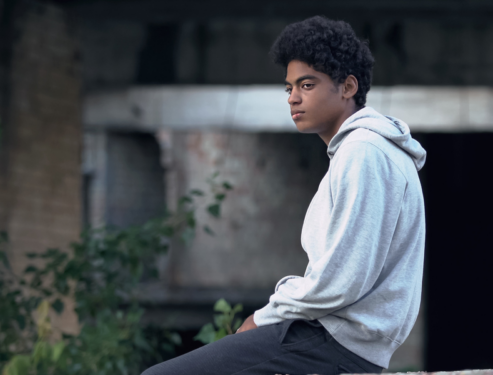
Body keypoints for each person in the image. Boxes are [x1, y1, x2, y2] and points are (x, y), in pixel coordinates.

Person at [142, 15, 426, 375]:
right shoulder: (366, 151)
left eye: (307, 85)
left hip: (335, 341)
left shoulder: (365, 152)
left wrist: (264, 317)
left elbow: (341, 282)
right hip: (342, 340)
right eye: (289, 87)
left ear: (348, 86)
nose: (293, 98)